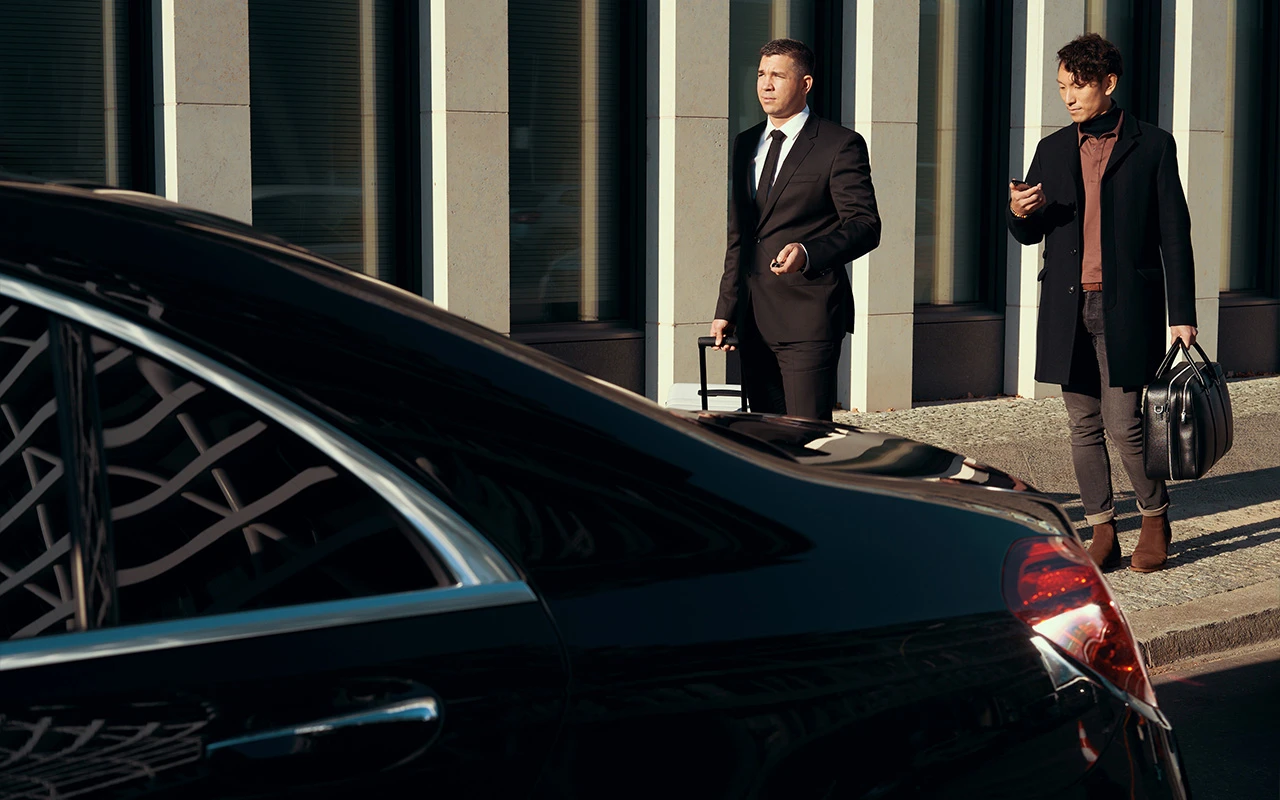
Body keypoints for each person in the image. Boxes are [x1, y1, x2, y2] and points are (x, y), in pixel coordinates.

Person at [1008, 33, 1196, 573]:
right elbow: (1029, 232)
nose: (1068, 97)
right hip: (1067, 307)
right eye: (1062, 86)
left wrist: (1181, 314)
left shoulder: (1153, 145)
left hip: (1126, 306)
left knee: (1125, 424)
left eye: (1079, 86)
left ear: (1108, 84)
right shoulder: (1053, 148)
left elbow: (1174, 236)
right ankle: (1102, 529)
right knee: (1082, 423)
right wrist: (1020, 212)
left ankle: (1155, 518)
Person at [710, 38, 880, 422]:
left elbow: (865, 225)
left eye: (777, 76)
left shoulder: (840, 145)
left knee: (808, 437)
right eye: (760, 75)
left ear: (805, 84)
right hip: (753, 320)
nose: (765, 85)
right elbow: (740, 235)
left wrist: (808, 252)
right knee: (769, 440)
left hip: (809, 317)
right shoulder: (744, 143)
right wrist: (727, 308)